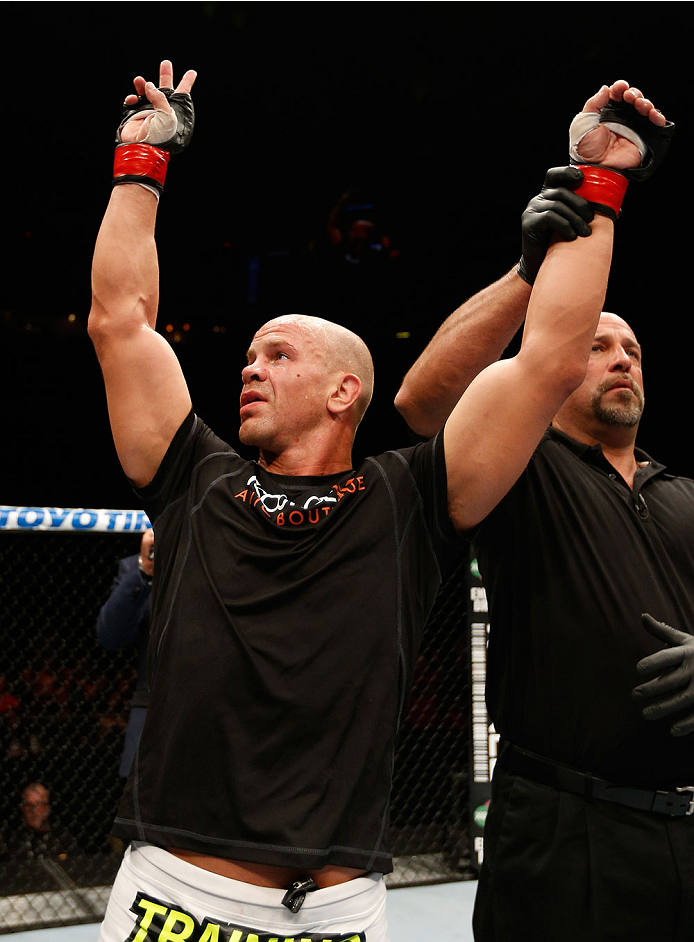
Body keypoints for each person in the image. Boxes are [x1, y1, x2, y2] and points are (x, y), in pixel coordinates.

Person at [87, 60, 646, 942]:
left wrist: (600, 180)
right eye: (251, 356)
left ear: (345, 391)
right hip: (176, 896)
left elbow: (547, 359)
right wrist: (139, 166)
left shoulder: (409, 495)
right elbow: (121, 319)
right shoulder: (197, 479)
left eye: (278, 355)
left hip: (342, 910)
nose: (249, 366)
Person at [395, 87, 690, 940]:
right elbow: (423, 404)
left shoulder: (682, 494)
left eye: (632, 347)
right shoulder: (526, 470)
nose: (620, 357)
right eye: (597, 344)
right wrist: (531, 275)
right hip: (562, 827)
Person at [96, 527, 153, 778]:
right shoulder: (137, 568)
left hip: (217, 715)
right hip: (153, 718)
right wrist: (144, 572)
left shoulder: (221, 563)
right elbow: (110, 636)